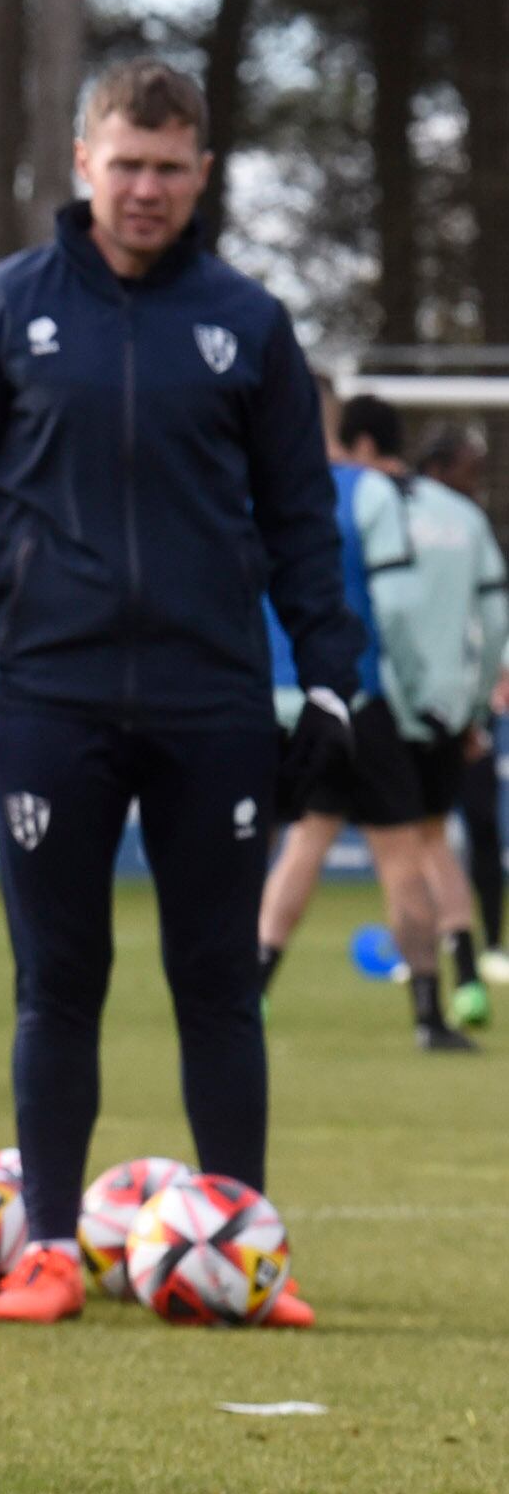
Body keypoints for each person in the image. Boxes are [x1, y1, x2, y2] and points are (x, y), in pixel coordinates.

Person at [0, 58, 357, 1329]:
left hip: (211, 699)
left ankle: (242, 1245)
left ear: (203, 177)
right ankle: (46, 1249)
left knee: (218, 978)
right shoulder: (5, 310)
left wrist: (330, 686)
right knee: (59, 977)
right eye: (125, 164)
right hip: (52, 694)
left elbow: (305, 520)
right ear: (81, 164)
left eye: (169, 167)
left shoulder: (248, 323)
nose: (145, 189)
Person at [252, 393, 473, 1051]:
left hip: (278, 698)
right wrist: (415, 694)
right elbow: (397, 608)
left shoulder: (256, 487)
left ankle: (248, 995)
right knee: (401, 855)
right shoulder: (368, 494)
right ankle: (429, 1016)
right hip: (356, 699)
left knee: (299, 847)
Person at [413, 425, 509, 1013]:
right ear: (441, 467)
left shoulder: (469, 531)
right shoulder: (443, 526)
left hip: (447, 702)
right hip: (445, 702)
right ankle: (446, 958)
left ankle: (485, 949)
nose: (475, 482)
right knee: (417, 836)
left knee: (451, 830)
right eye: (470, 469)